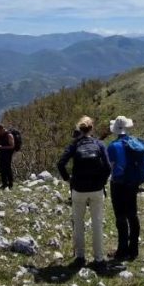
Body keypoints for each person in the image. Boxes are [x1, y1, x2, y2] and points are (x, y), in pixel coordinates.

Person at [56, 116, 112, 271]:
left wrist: (68, 179)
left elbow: (60, 164)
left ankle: (80, 257)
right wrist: (101, 182)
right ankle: (99, 259)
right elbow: (108, 168)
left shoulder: (74, 145)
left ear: (79, 129)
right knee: (97, 223)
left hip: (79, 189)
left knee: (78, 223)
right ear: (92, 128)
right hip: (96, 189)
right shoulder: (99, 144)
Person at [106, 115, 144, 261]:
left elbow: (110, 167)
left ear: (115, 130)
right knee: (132, 215)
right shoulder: (135, 143)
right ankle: (134, 250)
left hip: (118, 184)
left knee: (120, 217)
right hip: (133, 183)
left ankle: (122, 250)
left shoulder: (113, 146)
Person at [0, 123, 15, 189]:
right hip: (1, 153)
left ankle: (10, 184)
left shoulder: (9, 135)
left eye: (0, 130)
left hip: (8, 154)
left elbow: (12, 146)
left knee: (7, 168)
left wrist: (2, 147)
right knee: (1, 169)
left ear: (3, 128)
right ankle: (4, 184)